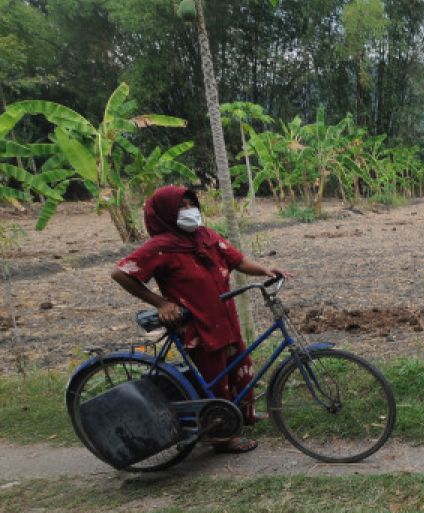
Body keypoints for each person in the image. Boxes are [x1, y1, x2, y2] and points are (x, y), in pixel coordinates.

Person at [111, 185, 290, 454]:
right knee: (215, 376)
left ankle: (243, 414)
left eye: (190, 204)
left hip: (225, 318)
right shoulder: (161, 246)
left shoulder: (206, 236)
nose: (188, 211)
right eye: (180, 207)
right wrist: (161, 303)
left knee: (239, 365)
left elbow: (237, 261)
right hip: (198, 325)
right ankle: (222, 437)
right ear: (166, 213)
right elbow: (121, 273)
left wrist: (265, 270)